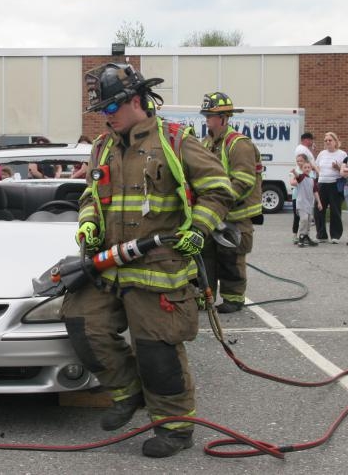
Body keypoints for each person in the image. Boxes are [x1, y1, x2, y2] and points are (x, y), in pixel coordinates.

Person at [61, 63, 234, 458]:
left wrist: (199, 230)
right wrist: (88, 225)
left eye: (110, 109)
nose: (106, 118)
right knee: (82, 322)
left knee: (157, 350)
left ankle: (175, 428)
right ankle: (127, 392)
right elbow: (90, 196)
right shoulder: (103, 146)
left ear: (136, 102)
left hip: (159, 269)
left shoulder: (174, 140)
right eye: (101, 112)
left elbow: (218, 190)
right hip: (108, 267)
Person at [201, 92, 263, 313]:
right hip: (213, 212)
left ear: (224, 118)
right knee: (206, 255)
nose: (206, 118)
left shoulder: (239, 145)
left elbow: (244, 180)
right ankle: (205, 297)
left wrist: (221, 201)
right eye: (206, 114)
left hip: (234, 213)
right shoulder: (207, 142)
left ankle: (233, 298)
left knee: (231, 257)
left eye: (210, 115)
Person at [314, 132, 347, 243]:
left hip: (335, 184)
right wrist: (320, 174)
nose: (328, 142)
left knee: (335, 210)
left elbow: (345, 171)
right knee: (319, 209)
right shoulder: (322, 154)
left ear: (335, 141)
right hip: (322, 183)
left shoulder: (342, 154)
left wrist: (337, 167)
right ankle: (321, 234)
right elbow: (316, 166)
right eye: (326, 140)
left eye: (330, 140)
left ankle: (335, 235)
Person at [291, 160, 321, 247]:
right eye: (305, 167)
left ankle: (306, 236)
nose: (307, 169)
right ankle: (301, 236)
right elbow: (297, 176)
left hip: (309, 204)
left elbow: (315, 192)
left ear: (311, 169)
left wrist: (319, 203)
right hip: (301, 203)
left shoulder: (312, 180)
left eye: (308, 167)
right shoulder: (301, 177)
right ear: (302, 169)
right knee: (303, 219)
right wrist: (294, 172)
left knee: (308, 221)